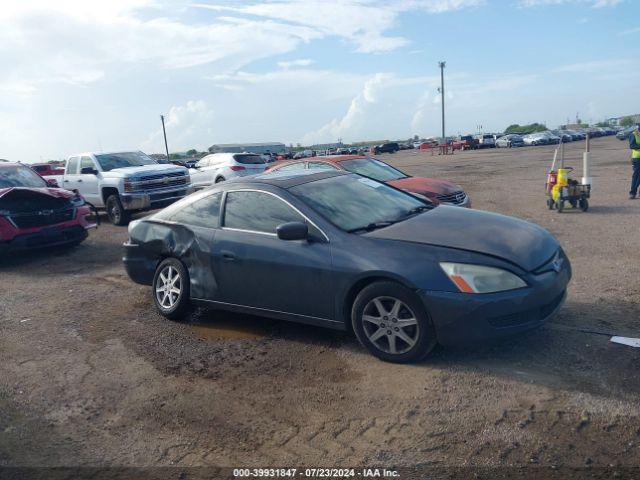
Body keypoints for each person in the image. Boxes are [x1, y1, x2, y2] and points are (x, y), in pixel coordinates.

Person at [630, 124, 640, 199]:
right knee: (636, 176)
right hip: (637, 158)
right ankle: (633, 192)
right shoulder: (634, 134)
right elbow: (632, 145)